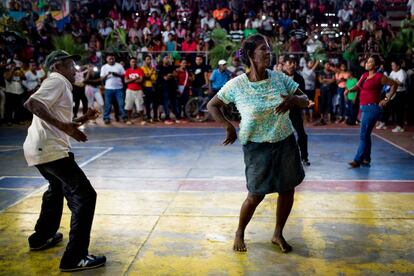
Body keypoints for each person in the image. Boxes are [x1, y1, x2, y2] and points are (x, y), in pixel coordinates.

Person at [207, 34, 308, 253]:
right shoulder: (237, 85)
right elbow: (212, 105)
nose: (268, 52)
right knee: (255, 194)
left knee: (287, 190)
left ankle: (278, 233)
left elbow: (306, 100)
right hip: (256, 147)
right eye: (263, 49)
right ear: (251, 55)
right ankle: (240, 232)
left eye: (269, 48)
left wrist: (294, 100)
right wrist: (228, 126)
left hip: (284, 142)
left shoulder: (280, 78)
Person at [22, 50, 105, 271]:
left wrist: (83, 119)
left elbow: (59, 122)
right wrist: (65, 127)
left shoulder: (59, 86)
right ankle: (74, 257)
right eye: (70, 65)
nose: (74, 70)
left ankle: (42, 237)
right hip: (50, 149)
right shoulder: (57, 81)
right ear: (57, 66)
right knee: (85, 196)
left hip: (38, 149)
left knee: (56, 187)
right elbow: (32, 104)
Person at [347, 55, 398, 168]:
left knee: (363, 135)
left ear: (375, 65)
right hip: (364, 108)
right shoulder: (364, 75)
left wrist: (386, 99)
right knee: (366, 135)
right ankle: (366, 159)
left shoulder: (379, 77)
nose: (367, 63)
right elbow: (357, 86)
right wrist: (348, 90)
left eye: (370, 62)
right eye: (367, 62)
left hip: (372, 108)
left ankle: (357, 160)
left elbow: (395, 84)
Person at [283, 56, 311, 166]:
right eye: (289, 62)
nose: (291, 65)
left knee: (302, 134)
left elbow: (303, 95)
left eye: (293, 63)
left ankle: (304, 157)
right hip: (282, 111)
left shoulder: (299, 78)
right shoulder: (279, 77)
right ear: (284, 64)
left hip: (294, 110)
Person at [100, 54, 127, 124]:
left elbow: (124, 75)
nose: (111, 60)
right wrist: (107, 75)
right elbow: (102, 78)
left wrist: (117, 74)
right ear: (107, 59)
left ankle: (123, 117)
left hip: (119, 88)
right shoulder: (104, 67)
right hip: (108, 89)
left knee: (121, 104)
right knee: (108, 104)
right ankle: (106, 118)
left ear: (114, 59)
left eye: (113, 58)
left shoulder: (119, 66)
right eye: (110, 59)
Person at [388, 60, 408, 133]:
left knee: (400, 110)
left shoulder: (402, 73)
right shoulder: (392, 72)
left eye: (393, 65)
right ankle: (386, 122)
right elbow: (389, 80)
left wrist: (395, 81)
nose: (392, 67)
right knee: (393, 108)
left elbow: (400, 83)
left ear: (398, 66)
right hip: (393, 92)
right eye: (391, 65)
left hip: (401, 93)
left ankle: (400, 126)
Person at [124, 57, 145, 125]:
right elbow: (125, 81)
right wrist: (136, 78)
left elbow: (141, 80)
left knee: (140, 106)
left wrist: (131, 80)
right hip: (129, 90)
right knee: (128, 106)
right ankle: (129, 119)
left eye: (135, 62)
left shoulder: (140, 70)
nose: (134, 63)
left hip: (138, 90)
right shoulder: (127, 71)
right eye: (132, 62)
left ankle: (142, 120)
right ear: (130, 63)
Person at [141, 54, 159, 122]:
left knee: (155, 103)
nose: (149, 61)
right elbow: (146, 77)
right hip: (147, 87)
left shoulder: (152, 68)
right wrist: (151, 71)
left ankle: (155, 117)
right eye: (147, 59)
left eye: (150, 59)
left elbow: (155, 77)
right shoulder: (143, 68)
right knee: (147, 103)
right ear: (145, 61)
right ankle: (148, 117)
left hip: (153, 87)